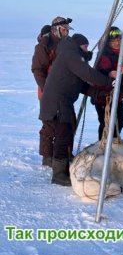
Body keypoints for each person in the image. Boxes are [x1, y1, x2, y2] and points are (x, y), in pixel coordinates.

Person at [39, 33, 114, 186]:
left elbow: (82, 86)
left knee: (65, 133)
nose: (87, 49)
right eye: (85, 46)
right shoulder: (70, 55)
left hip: (60, 102)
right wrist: (109, 82)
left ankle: (62, 166)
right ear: (78, 45)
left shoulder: (70, 55)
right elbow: (88, 74)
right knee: (62, 135)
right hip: (57, 102)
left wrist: (102, 93)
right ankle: (59, 174)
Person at [31, 16, 73, 167]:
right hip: (48, 90)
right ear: (56, 29)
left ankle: (64, 153)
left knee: (67, 121)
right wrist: (47, 89)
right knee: (50, 124)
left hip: (64, 90)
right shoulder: (44, 45)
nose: (67, 32)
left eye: (68, 30)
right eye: (64, 30)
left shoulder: (67, 44)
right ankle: (48, 156)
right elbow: (37, 69)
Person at [92, 26, 123, 140]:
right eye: (114, 41)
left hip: (117, 96)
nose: (117, 43)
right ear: (108, 42)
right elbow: (100, 71)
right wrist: (110, 73)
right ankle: (103, 147)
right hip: (104, 97)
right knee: (107, 124)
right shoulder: (104, 55)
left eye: (119, 40)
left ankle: (112, 147)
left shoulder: (121, 53)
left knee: (119, 122)